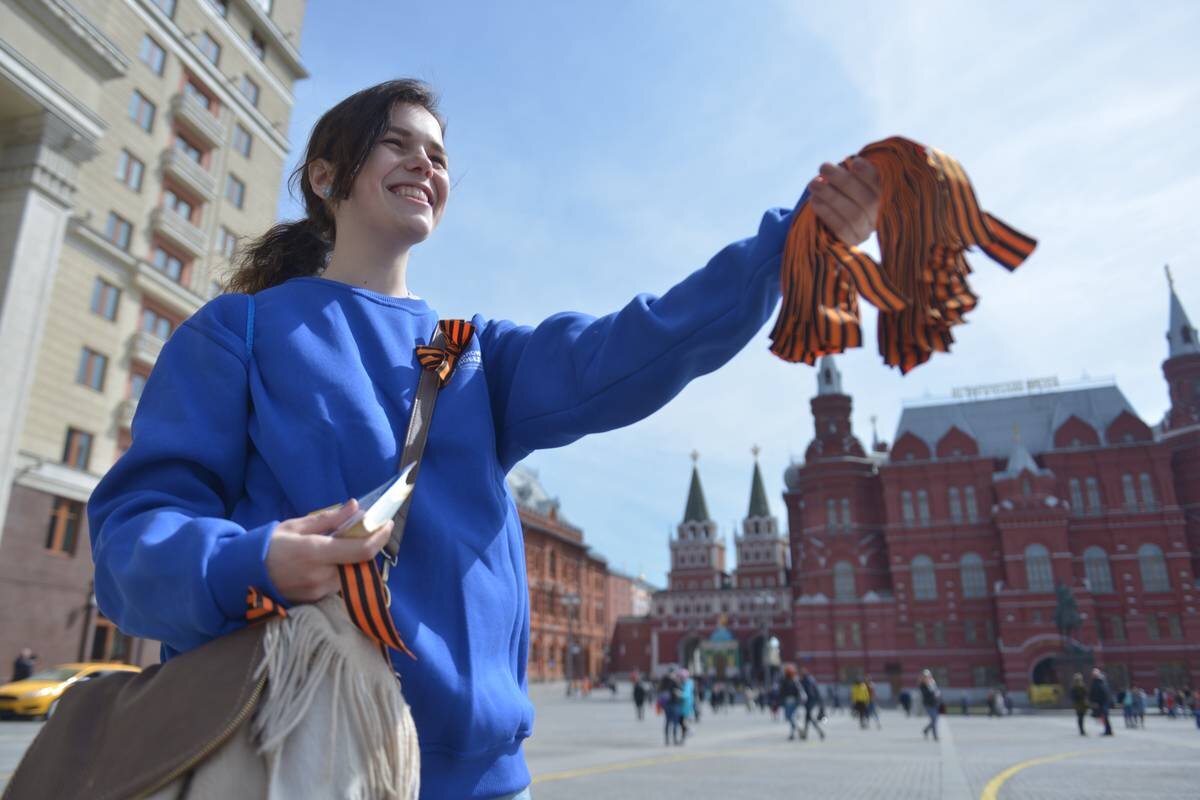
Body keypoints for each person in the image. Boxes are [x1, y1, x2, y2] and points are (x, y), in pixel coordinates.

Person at [83, 78, 883, 799]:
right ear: (325, 178)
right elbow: (133, 539)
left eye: (437, 153)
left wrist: (790, 243)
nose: (424, 162)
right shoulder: (240, 332)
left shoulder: (467, 353)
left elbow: (638, 346)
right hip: (301, 757)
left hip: (485, 780)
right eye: (396, 142)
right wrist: (252, 561)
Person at [799, 666, 826, 741]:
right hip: (813, 701)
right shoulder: (811, 679)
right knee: (807, 718)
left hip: (810, 701)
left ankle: (819, 732)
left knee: (809, 717)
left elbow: (809, 692)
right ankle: (806, 734)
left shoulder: (806, 680)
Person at [779, 665, 804, 740]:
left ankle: (796, 730)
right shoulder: (794, 681)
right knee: (791, 718)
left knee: (790, 718)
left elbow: (782, 692)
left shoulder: (786, 681)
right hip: (793, 701)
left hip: (789, 701)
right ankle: (794, 732)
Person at [1089, 667, 1114, 736]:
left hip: (1103, 702)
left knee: (1105, 716)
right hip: (1101, 702)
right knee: (1104, 717)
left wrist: (1095, 701)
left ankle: (1108, 731)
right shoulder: (1099, 681)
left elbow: (1101, 693)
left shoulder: (1099, 682)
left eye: (1094, 674)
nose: (1093, 675)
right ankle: (1107, 730)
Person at [919, 670, 941, 741]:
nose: (927, 678)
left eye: (928, 676)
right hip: (928, 704)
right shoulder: (922, 685)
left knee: (935, 720)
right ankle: (935, 736)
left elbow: (937, 691)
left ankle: (926, 730)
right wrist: (932, 692)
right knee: (934, 719)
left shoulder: (933, 683)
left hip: (935, 703)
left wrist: (937, 694)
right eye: (925, 677)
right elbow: (926, 694)